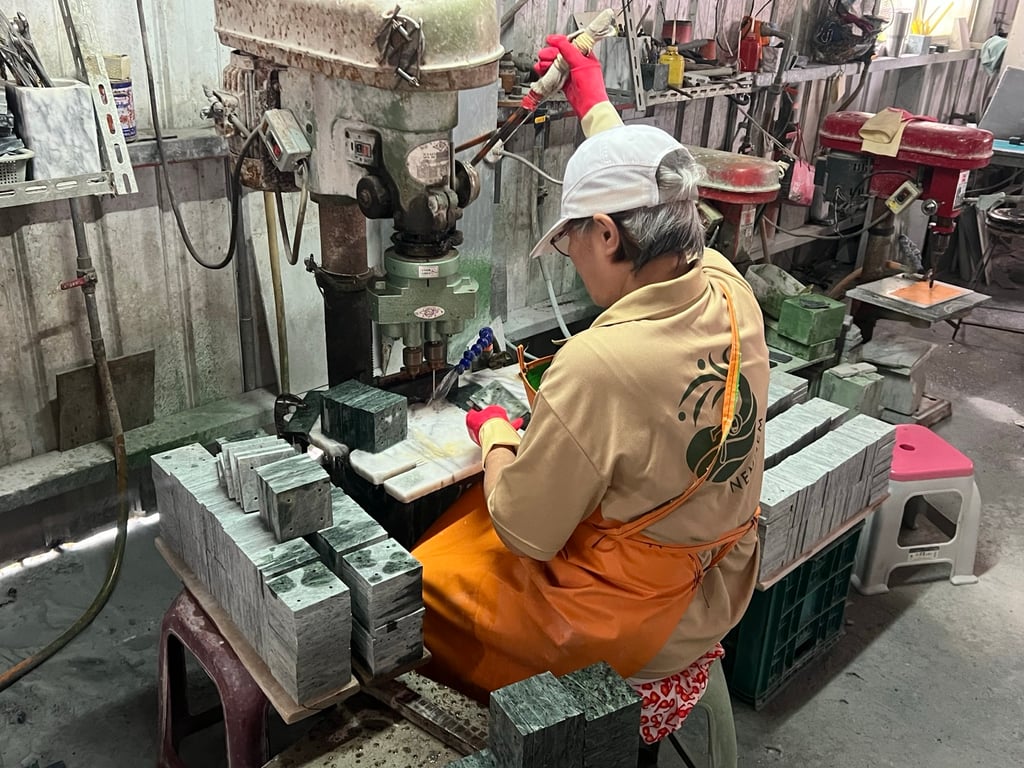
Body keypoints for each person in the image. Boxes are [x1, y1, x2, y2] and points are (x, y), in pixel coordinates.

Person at [413, 34, 769, 756]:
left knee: (424, 580)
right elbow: (654, 177)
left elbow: (528, 531)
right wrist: (593, 104)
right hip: (721, 582)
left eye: (571, 242)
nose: (571, 260)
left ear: (606, 233)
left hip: (639, 625)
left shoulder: (599, 363)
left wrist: (494, 433)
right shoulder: (731, 289)